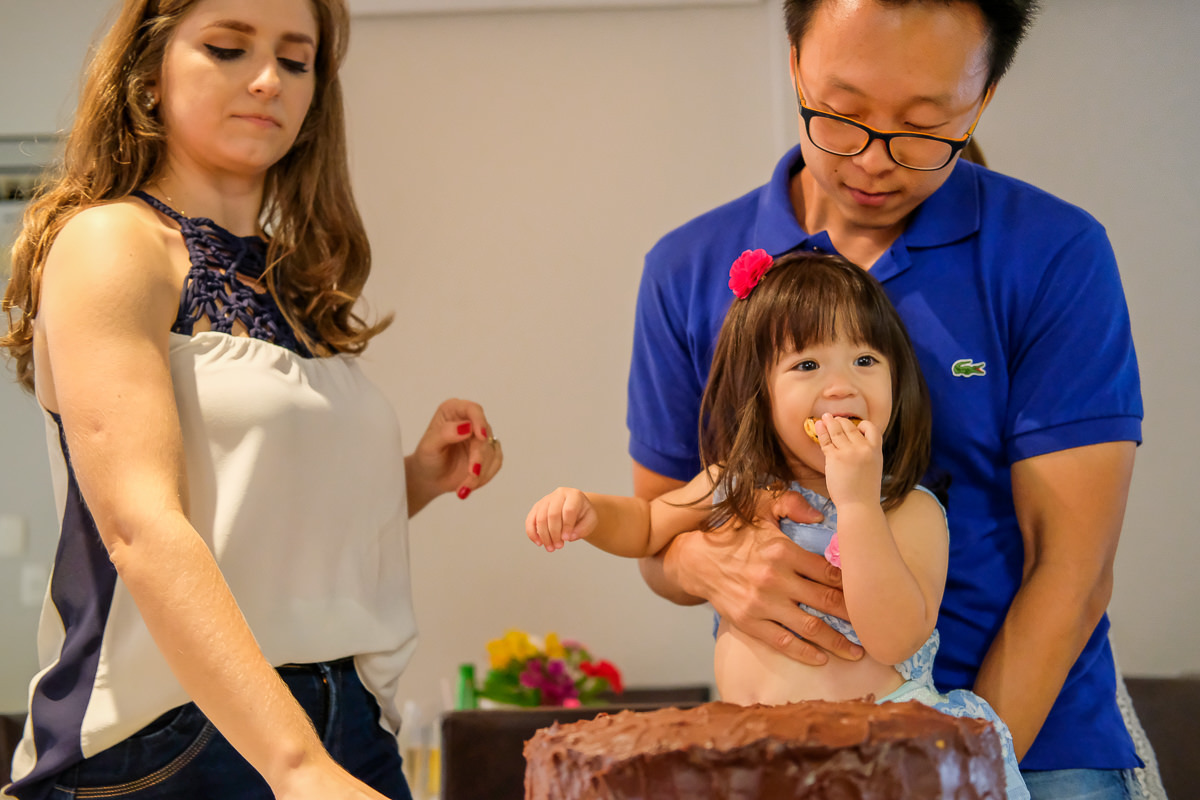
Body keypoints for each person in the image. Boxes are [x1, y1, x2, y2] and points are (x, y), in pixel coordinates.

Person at [625, 1, 1149, 798]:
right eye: (842, 114)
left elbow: (1072, 574)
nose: (873, 161)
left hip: (1031, 747)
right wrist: (705, 564)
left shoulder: (1052, 254)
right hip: (787, 756)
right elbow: (659, 533)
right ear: (796, 64)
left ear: (984, 98)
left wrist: (958, 772)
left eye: (922, 126)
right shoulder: (689, 268)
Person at [0, 1, 501, 798]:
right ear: (149, 72)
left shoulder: (293, 282)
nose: (268, 80)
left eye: (295, 61)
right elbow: (141, 529)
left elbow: (256, 517)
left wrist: (413, 478)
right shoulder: (113, 243)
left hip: (347, 722)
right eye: (228, 48)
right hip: (173, 738)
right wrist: (295, 766)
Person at [529, 250, 1028, 798]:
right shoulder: (732, 484)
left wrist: (858, 503)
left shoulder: (905, 508)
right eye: (807, 365)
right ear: (760, 393)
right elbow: (647, 524)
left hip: (880, 757)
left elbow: (894, 638)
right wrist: (590, 511)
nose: (840, 386)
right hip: (750, 759)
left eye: (865, 359)